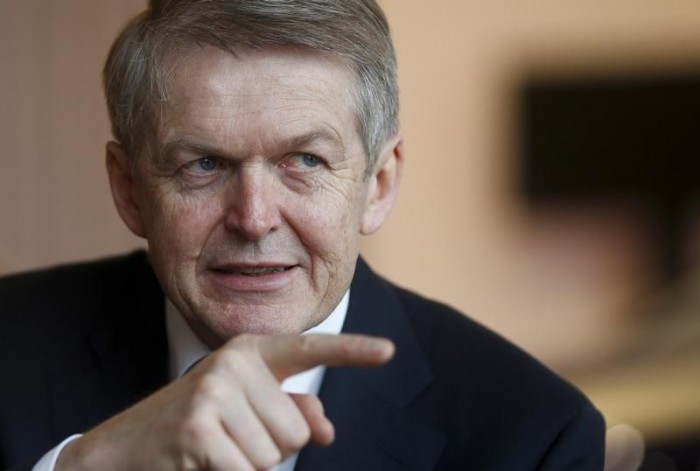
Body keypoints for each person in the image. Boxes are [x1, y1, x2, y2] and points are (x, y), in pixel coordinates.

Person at [0, 0, 605, 470]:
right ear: (129, 188)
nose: (254, 217)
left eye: (305, 161)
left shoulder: (531, 435)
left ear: (379, 183)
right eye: (203, 165)